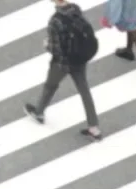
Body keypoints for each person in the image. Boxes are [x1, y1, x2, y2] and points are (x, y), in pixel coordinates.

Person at [26, 0, 103, 140]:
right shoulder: (75, 9)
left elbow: (57, 49)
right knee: (84, 91)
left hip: (63, 63)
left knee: (50, 85)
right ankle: (94, 128)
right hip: (80, 59)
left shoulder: (55, 21)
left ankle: (39, 112)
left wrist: (47, 45)